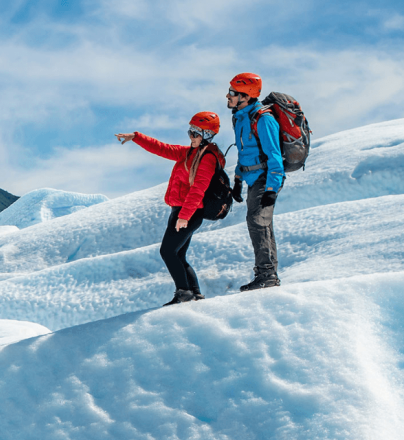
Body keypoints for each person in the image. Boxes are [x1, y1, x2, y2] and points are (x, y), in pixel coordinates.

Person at [116, 112, 225, 306]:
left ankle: (184, 292)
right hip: (180, 210)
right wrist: (136, 137)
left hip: (189, 212)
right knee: (178, 254)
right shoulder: (188, 153)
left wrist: (183, 216)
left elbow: (198, 189)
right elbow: (163, 148)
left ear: (207, 135)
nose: (191, 136)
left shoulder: (207, 158)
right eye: (190, 131)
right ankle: (195, 294)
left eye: (196, 133)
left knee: (167, 252)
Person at [227, 73, 283, 291]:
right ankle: (268, 274)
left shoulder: (264, 119)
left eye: (233, 93)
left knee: (257, 221)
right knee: (262, 223)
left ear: (246, 96)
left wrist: (271, 188)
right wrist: (238, 180)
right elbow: (244, 152)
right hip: (252, 178)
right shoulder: (241, 117)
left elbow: (274, 155)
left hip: (266, 177)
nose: (228, 96)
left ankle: (267, 275)